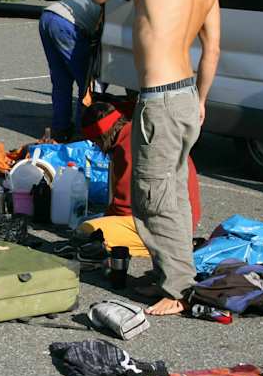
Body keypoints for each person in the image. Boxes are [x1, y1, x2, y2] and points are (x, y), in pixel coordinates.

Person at [89, 0, 220, 316]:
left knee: (153, 197)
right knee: (175, 194)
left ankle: (178, 290)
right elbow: (213, 48)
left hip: (160, 99)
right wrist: (201, 100)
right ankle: (176, 275)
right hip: (185, 96)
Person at [76, 100, 201, 258]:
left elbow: (124, 207)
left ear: (102, 137)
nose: (97, 147)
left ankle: (169, 246)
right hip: (183, 218)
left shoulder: (126, 148)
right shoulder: (136, 131)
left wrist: (106, 219)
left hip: (167, 225)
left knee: (88, 229)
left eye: (95, 143)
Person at [39, 0, 103, 142]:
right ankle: (82, 133)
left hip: (47, 16)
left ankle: (60, 129)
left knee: (61, 81)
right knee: (86, 84)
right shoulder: (112, 12)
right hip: (66, 24)